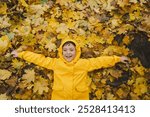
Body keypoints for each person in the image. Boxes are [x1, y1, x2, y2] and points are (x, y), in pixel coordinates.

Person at [11, 39, 129, 100]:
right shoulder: (55, 63)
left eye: (71, 50)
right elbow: (38, 59)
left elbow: (100, 61)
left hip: (80, 99)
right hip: (60, 100)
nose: (68, 52)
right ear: (61, 52)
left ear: (76, 52)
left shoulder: (84, 63)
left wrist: (117, 59)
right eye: (65, 50)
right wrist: (21, 54)